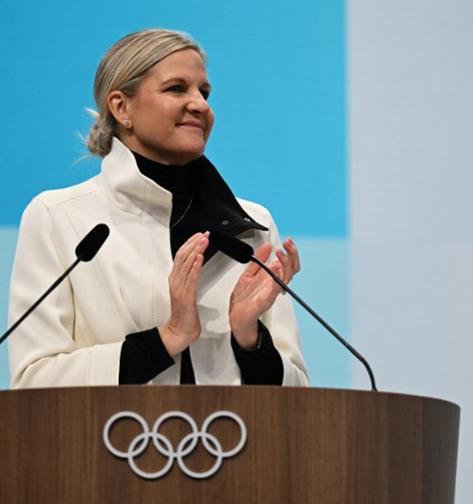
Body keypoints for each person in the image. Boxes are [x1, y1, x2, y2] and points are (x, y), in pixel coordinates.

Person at [7, 29, 309, 388]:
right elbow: (33, 381)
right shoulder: (58, 217)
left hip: (239, 442)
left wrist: (249, 340)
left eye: (204, 92)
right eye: (177, 89)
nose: (200, 104)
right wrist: (167, 338)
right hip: (105, 443)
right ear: (121, 107)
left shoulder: (253, 227)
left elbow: (298, 395)